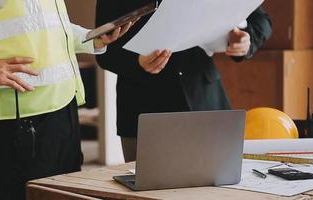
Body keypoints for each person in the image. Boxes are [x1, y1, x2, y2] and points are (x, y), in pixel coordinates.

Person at [0, 0, 134, 199]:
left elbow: (52, 27)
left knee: (64, 193)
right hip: (13, 118)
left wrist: (90, 38)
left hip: (63, 110)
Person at [96, 0, 272, 162]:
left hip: (206, 100)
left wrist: (247, 41)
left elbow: (261, 19)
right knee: (151, 191)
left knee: (219, 188)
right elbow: (103, 49)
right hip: (144, 108)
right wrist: (137, 63)